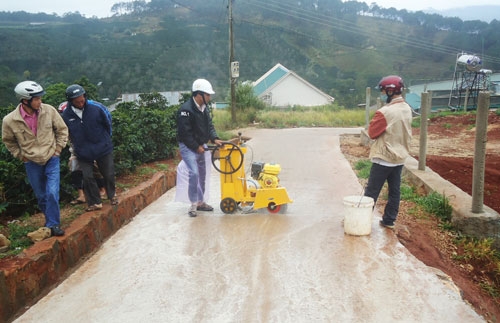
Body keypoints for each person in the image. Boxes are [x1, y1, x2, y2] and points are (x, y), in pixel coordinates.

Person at [2, 81, 69, 236]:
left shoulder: (49, 111)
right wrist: (21, 156)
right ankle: (50, 220)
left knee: (52, 192)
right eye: (36, 99)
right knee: (41, 195)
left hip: (51, 157)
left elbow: (62, 130)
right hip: (31, 162)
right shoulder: (10, 120)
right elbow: (9, 141)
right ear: (25, 100)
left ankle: (53, 224)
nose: (40, 101)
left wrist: (58, 149)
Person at [364, 75, 413, 229]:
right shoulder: (407, 108)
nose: (383, 94)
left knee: (371, 192)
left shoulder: (385, 111)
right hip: (399, 157)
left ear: (391, 91)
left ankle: (362, 221)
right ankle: (389, 220)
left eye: (384, 91)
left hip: (383, 157)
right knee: (394, 191)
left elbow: (372, 133)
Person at [61, 84, 118, 212]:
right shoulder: (66, 115)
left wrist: (105, 140)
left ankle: (112, 195)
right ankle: (95, 202)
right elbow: (67, 132)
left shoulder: (97, 108)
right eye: (77, 102)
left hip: (102, 146)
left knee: (108, 173)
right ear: (71, 102)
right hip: (82, 150)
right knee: (87, 176)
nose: (81, 103)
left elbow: (108, 122)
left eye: (82, 100)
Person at [177, 79, 222, 217]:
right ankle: (193, 204)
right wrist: (196, 147)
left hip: (200, 145)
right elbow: (185, 133)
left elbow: (209, 126)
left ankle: (201, 202)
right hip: (187, 146)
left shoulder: (204, 109)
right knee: (194, 173)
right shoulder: (186, 110)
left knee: (202, 174)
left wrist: (214, 138)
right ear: (199, 94)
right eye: (208, 94)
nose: (209, 97)